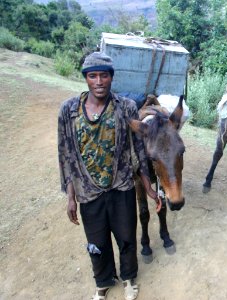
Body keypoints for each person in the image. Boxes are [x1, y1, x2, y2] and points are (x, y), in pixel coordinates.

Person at [58, 52, 161, 300]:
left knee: (126, 237)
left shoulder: (126, 108)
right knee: (97, 242)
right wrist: (70, 196)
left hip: (121, 186)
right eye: (92, 76)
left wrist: (148, 187)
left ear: (111, 78)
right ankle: (103, 282)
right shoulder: (69, 110)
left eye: (104, 75)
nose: (99, 81)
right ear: (86, 79)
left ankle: (128, 278)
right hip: (87, 191)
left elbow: (138, 150)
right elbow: (66, 154)